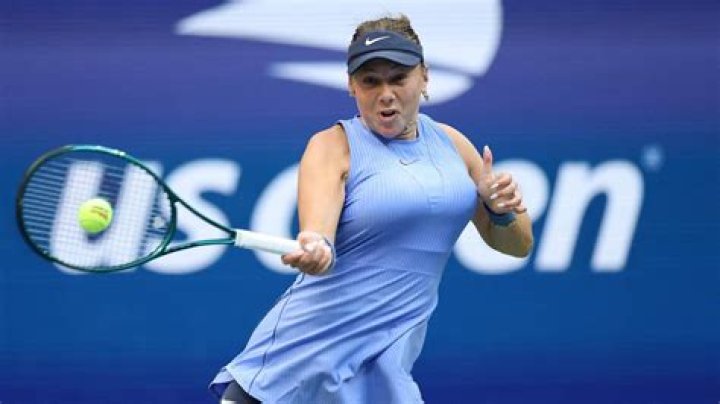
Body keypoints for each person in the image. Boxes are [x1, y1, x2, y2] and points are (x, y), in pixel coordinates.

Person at [211, 14, 533, 404]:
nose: (386, 94)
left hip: (383, 378)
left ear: (424, 77)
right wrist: (317, 248)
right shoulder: (332, 146)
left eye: (399, 78)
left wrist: (500, 210)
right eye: (370, 81)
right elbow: (318, 232)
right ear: (351, 86)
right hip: (294, 372)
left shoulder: (454, 146)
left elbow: (517, 245)